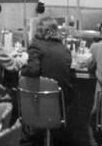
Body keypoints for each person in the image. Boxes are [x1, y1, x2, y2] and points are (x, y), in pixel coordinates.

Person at [20, 17, 74, 146]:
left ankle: (30, 139)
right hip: (62, 102)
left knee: (20, 91)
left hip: (41, 100)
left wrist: (21, 72)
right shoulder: (65, 49)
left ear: (39, 30)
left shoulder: (36, 46)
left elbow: (33, 70)